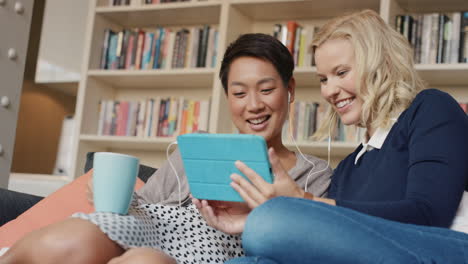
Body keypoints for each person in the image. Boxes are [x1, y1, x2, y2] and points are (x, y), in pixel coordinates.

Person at [0, 33, 333, 264]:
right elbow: (144, 206)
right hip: (155, 226)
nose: (254, 105)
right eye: (240, 93)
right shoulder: (198, 149)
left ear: (288, 90)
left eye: (266, 89)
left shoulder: (316, 175)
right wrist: (108, 193)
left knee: (144, 261)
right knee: (72, 240)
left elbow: (309, 246)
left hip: (215, 252)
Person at [196, 10, 468, 264]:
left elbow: (428, 214)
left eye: (341, 73)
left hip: (443, 250)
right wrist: (254, 216)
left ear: (381, 63)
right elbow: (342, 238)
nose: (330, 91)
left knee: (266, 226)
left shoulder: (430, 108)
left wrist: (302, 202)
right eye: (323, 79)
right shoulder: (348, 170)